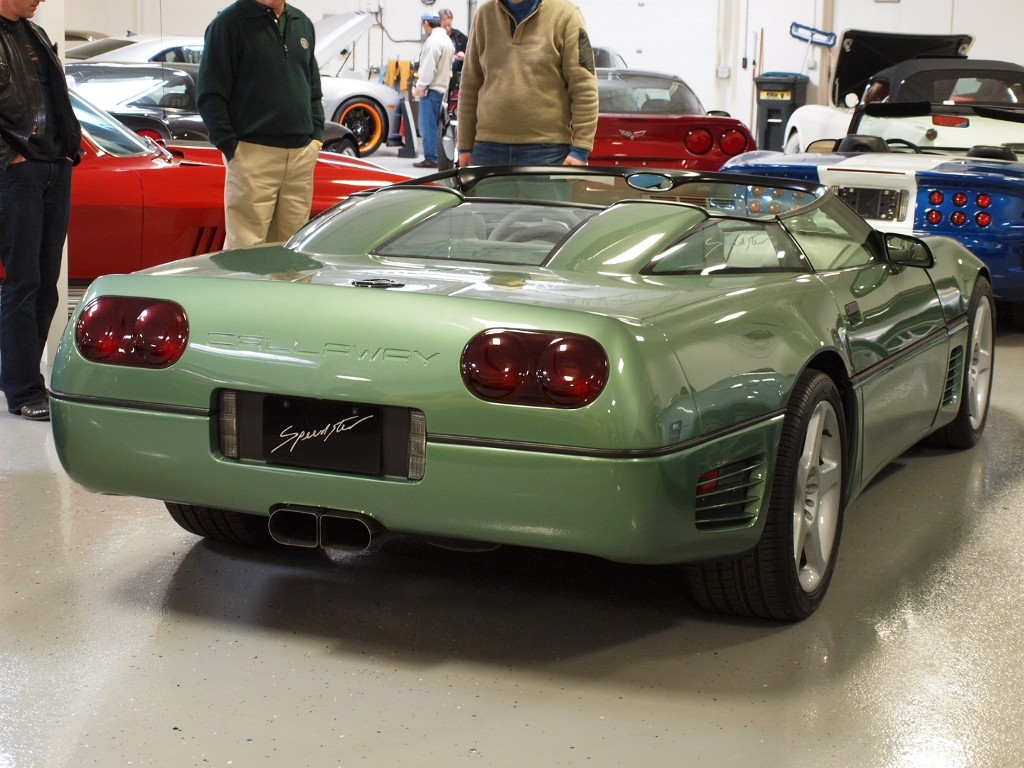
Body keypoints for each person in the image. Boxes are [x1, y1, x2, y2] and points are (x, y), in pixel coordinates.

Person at [0, 0, 82, 422]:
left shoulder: (34, 34)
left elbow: (56, 98)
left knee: (46, 282)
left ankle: (21, 375)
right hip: (19, 172)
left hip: (54, 166)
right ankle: (22, 388)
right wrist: (9, 158)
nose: (42, 0)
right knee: (23, 283)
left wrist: (68, 153)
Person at [197, 0, 325, 249]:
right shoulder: (228, 25)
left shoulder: (302, 23)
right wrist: (231, 147)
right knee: (245, 252)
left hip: (300, 157)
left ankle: (287, 291)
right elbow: (210, 96)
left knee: (292, 252)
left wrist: (315, 137)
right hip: (252, 157)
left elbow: (313, 89)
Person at [456, 0, 598, 168]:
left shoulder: (567, 16)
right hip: (488, 149)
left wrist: (581, 149)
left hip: (548, 151)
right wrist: (464, 145)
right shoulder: (484, 15)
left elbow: (584, 88)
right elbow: (469, 86)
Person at [412, 12, 454, 170]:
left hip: (431, 90)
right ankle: (437, 156)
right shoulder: (446, 40)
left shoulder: (433, 41)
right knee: (438, 127)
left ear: (425, 23)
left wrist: (420, 87)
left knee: (427, 126)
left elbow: (429, 68)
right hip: (443, 88)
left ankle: (431, 158)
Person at [438, 8, 468, 76]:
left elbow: (472, 54)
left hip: (457, 75)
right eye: (445, 26)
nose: (448, 28)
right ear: (439, 23)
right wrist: (454, 57)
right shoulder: (434, 38)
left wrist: (465, 57)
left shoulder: (459, 36)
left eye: (449, 25)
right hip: (441, 76)